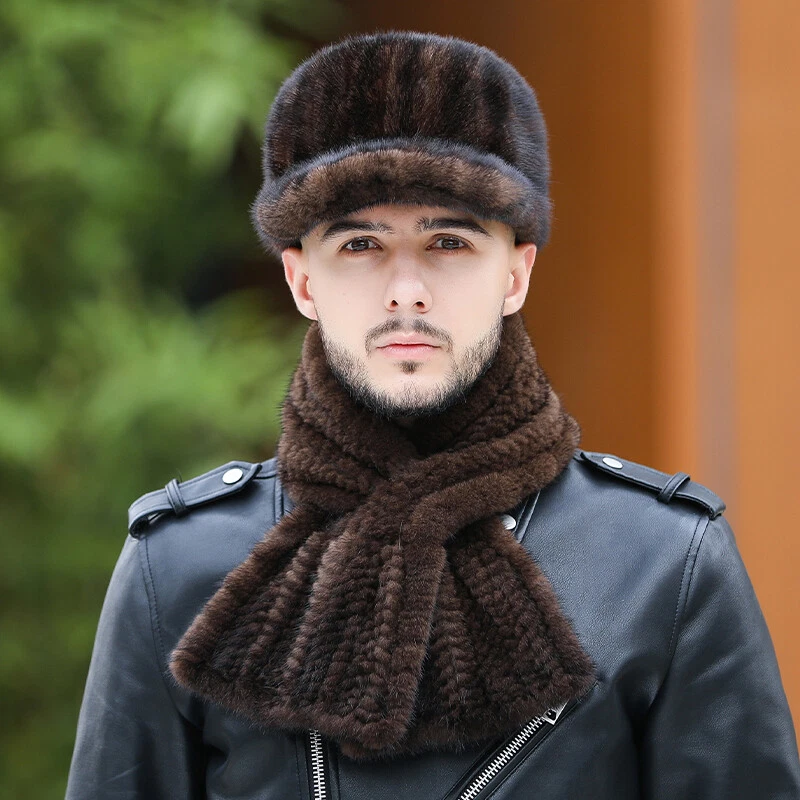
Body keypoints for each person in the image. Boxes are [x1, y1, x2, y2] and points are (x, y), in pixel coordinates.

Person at [66, 31, 800, 799]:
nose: (406, 291)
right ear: (302, 282)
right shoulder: (178, 565)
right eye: (360, 244)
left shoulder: (665, 562)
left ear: (515, 274)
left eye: (449, 241)